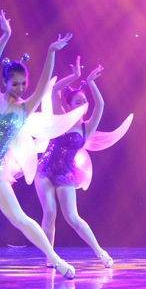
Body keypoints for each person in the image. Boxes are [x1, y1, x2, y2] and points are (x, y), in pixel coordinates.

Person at [0, 10, 75, 281]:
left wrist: (51, 52)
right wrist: (6, 35)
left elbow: (44, 82)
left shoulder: (25, 108)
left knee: (19, 218)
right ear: (6, 82)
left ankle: (56, 260)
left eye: (23, 84)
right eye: (15, 84)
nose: (20, 88)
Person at [35, 57, 113, 268]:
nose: (82, 104)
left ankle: (100, 253)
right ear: (68, 105)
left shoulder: (87, 127)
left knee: (72, 217)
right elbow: (54, 90)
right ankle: (50, 257)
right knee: (49, 212)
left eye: (84, 102)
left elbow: (101, 105)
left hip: (66, 173)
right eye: (77, 102)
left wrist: (92, 82)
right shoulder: (59, 118)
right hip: (45, 169)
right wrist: (75, 76)